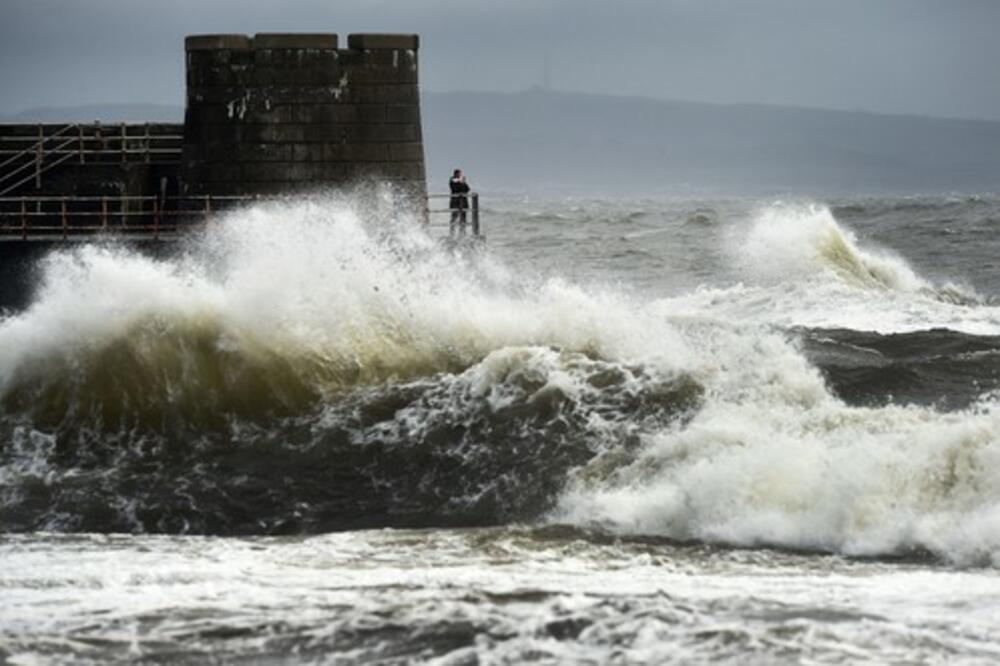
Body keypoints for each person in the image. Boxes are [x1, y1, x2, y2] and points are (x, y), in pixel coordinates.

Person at [449, 168, 470, 236]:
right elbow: (455, 188)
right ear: (455, 174)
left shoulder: (462, 182)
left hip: (463, 203)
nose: (460, 175)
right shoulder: (452, 180)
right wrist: (460, 181)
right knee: (454, 219)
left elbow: (467, 189)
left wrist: (463, 182)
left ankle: (462, 233)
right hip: (455, 203)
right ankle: (452, 233)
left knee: (463, 219)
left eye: (460, 174)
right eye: (458, 174)